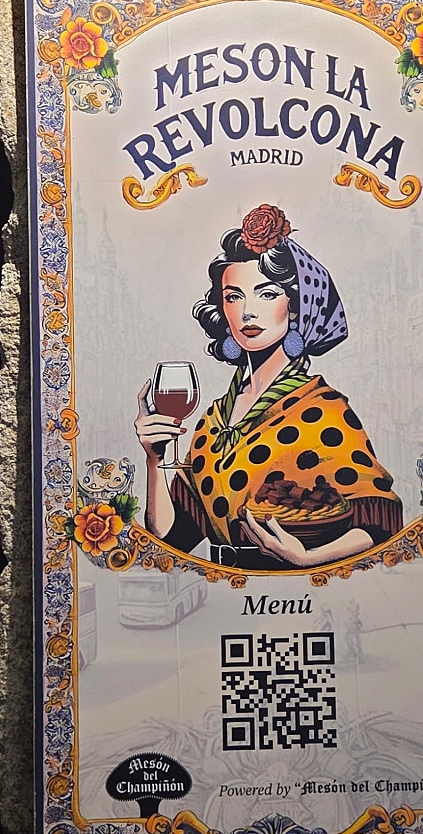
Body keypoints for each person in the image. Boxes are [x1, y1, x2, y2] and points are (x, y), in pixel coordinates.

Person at [134, 202, 403, 571]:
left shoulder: (323, 409)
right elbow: (172, 537)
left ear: (295, 306)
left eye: (266, 294)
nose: (248, 311)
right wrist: (155, 459)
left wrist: (307, 557)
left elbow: (380, 519)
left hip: (298, 584)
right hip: (224, 586)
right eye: (234, 297)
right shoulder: (214, 419)